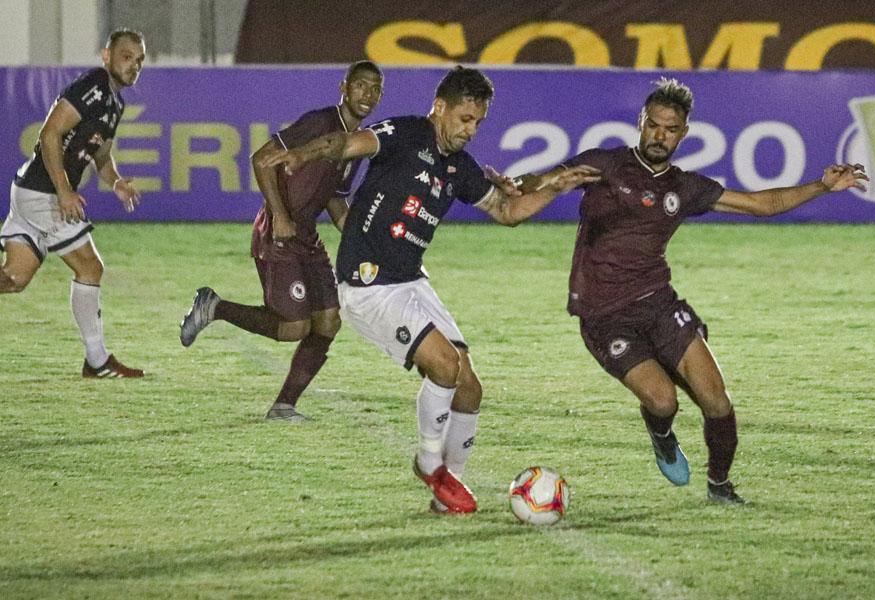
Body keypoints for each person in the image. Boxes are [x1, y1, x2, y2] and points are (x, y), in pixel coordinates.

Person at [260, 66, 600, 513]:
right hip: (369, 283)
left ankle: (447, 489)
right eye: (464, 119)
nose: (470, 130)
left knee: (470, 388)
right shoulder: (404, 133)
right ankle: (428, 463)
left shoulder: (459, 166)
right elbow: (348, 143)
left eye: (477, 122)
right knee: (444, 365)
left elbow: (507, 210)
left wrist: (554, 187)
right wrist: (303, 155)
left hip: (411, 279)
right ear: (439, 108)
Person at [562, 78, 868, 504]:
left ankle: (720, 486)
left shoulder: (685, 187)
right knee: (663, 400)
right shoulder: (606, 165)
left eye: (670, 129)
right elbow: (546, 182)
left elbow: (762, 205)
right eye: (653, 125)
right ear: (641, 123)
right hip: (604, 315)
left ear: (683, 133)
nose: (659, 135)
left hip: (659, 303)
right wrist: (514, 188)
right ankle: (662, 432)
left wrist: (821, 185)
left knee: (716, 400)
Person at [178, 61, 386, 421]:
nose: (367, 94)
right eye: (361, 85)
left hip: (306, 236)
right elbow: (261, 160)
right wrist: (280, 216)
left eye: (375, 89)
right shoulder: (320, 124)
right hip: (278, 233)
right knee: (293, 327)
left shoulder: (354, 146)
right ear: (344, 87)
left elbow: (335, 200)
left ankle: (284, 406)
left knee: (328, 322)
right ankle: (215, 307)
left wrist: (362, 234)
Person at [0, 28, 146, 378]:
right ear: (106, 56)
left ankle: (96, 361)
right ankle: (96, 360)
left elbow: (102, 156)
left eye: (139, 61)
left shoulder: (115, 102)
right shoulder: (94, 85)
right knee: (90, 267)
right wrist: (64, 191)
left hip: (32, 191)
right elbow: (49, 133)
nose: (134, 66)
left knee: (15, 279)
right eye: (127, 57)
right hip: (43, 193)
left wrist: (116, 182)